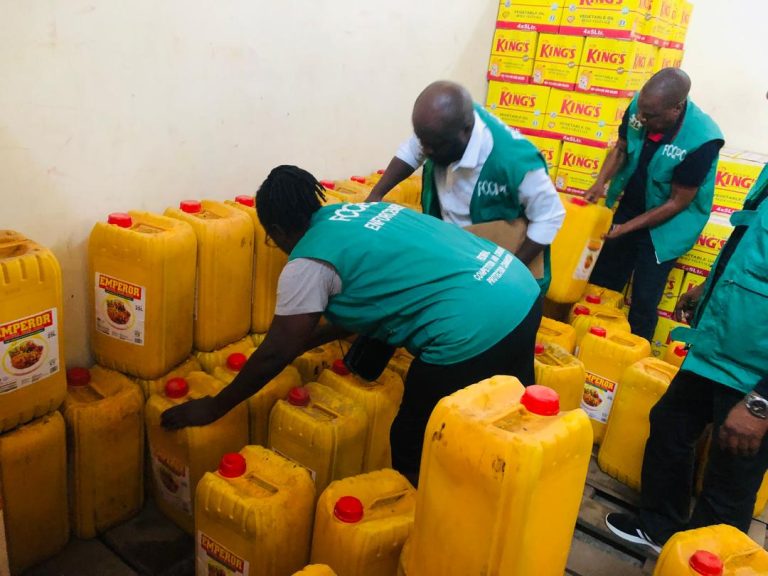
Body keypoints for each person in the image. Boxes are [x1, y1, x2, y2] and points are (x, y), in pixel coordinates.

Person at [162, 165, 543, 482]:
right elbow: (374, 298)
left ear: (276, 231)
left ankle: (423, 521)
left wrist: (215, 407)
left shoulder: (309, 262)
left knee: (414, 437)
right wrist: (304, 341)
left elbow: (276, 351)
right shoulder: (359, 213)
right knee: (512, 417)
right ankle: (521, 487)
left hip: (472, 327)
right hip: (518, 288)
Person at [605, 163, 768, 552]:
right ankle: (660, 528)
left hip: (754, 372)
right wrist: (708, 287)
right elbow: (752, 247)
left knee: (730, 476)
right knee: (671, 424)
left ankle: (701, 559)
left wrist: (762, 402)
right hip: (719, 347)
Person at [366, 80, 564, 290]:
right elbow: (412, 150)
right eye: (424, 142)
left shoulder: (515, 162)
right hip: (455, 249)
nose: (427, 151)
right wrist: (375, 195)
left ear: (466, 130)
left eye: (435, 146)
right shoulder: (440, 129)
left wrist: (509, 270)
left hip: (502, 259)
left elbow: (549, 216)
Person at [584, 68, 723, 341]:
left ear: (676, 108)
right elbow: (621, 148)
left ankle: (634, 352)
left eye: (649, 116)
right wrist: (600, 182)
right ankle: (590, 341)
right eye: (641, 111)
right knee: (602, 283)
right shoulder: (643, 106)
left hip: (669, 225)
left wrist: (626, 228)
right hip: (633, 205)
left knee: (644, 300)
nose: (641, 119)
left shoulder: (702, 139)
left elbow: (677, 202)